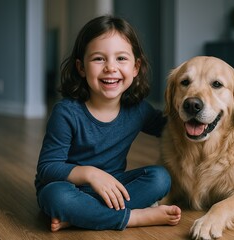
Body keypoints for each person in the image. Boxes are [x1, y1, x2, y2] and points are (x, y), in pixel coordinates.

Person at [34, 15, 181, 232]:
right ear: (81, 67)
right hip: (70, 187)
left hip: (113, 188)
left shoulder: (138, 110)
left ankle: (81, 217)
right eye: (98, 59)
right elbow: (47, 168)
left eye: (121, 58)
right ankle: (133, 218)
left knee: (160, 178)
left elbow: (170, 128)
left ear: (135, 67)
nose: (110, 67)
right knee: (54, 196)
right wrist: (90, 174)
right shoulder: (66, 113)